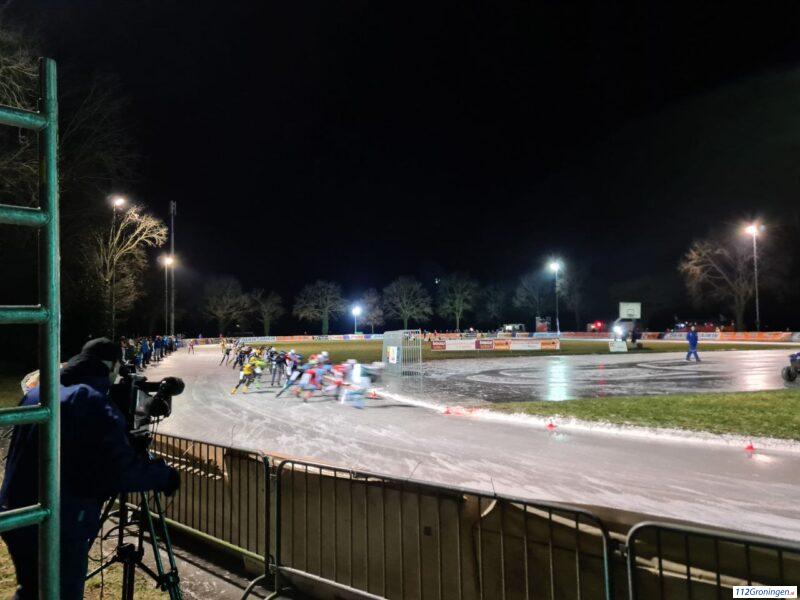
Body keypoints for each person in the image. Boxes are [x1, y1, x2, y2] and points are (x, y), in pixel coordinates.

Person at [0, 338, 180, 600]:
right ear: (111, 366)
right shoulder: (88, 400)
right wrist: (164, 475)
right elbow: (120, 470)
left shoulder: (38, 392)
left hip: (17, 514)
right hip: (59, 523)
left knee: (32, 590)